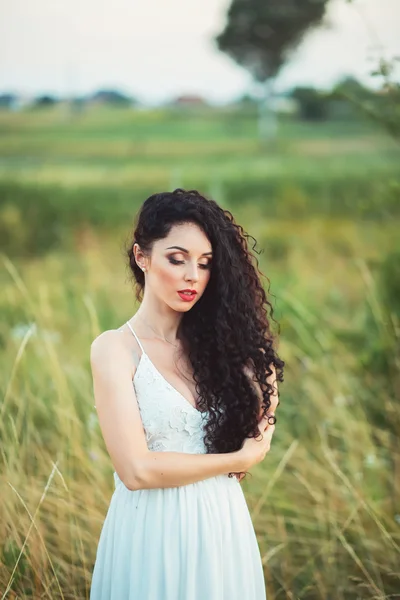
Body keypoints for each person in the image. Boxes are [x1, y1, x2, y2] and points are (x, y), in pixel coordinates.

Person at [89, 188, 284, 599]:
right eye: (177, 259)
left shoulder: (221, 350)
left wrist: (265, 397)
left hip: (222, 524)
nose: (192, 275)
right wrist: (236, 459)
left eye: (205, 264)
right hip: (151, 531)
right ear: (142, 257)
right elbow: (136, 470)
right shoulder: (115, 349)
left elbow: (260, 429)